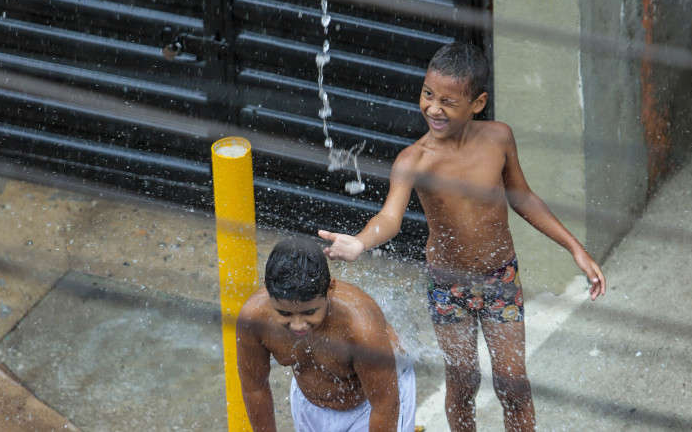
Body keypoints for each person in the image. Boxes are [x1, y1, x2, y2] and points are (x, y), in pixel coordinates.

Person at [318, 41, 606, 432]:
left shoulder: (499, 139)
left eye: (448, 101)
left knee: (513, 385)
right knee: (463, 380)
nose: (433, 108)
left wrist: (576, 248)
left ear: (478, 102)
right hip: (447, 284)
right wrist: (361, 242)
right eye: (428, 94)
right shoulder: (414, 160)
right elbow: (390, 217)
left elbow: (522, 197)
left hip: (499, 278)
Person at [236, 237, 417, 432]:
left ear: (330, 288)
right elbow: (255, 388)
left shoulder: (360, 327)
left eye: (309, 312)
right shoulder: (253, 320)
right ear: (267, 288)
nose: (297, 326)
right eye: (284, 313)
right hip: (311, 403)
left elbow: (384, 406)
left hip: (376, 402)